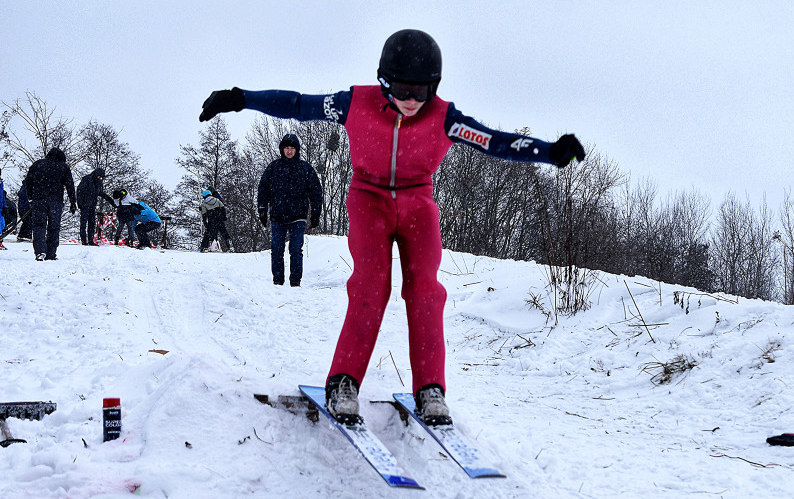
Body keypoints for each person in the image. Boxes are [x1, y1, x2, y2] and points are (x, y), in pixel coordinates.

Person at [199, 29, 585, 422]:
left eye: (422, 92)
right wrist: (241, 98)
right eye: (402, 89)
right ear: (384, 80)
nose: (411, 101)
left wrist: (549, 151)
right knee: (370, 287)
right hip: (370, 201)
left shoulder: (445, 118)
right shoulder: (354, 103)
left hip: (418, 205)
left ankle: (431, 389)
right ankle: (343, 382)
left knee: (426, 292)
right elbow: (298, 105)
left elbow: (492, 141)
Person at [256, 134, 323, 286]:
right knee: (277, 251)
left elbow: (316, 191)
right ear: (282, 149)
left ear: (297, 150)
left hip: (298, 216)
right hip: (277, 216)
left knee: (295, 250)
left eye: (292, 148)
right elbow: (263, 189)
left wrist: (315, 213)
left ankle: (295, 283)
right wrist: (262, 208)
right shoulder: (274, 167)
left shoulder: (305, 168)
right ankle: (278, 283)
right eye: (287, 148)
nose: (289, 151)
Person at [23, 147, 76, 261]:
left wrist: (31, 197)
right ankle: (51, 253)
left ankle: (40, 251)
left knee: (38, 226)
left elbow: (28, 181)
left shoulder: (37, 164)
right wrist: (73, 201)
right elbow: (70, 185)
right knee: (54, 227)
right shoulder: (63, 167)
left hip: (39, 200)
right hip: (56, 202)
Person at [75, 167, 106, 245]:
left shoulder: (99, 182)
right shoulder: (86, 179)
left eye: (101, 177)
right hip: (85, 205)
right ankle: (84, 240)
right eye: (99, 176)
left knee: (92, 223)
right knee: (84, 223)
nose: (100, 178)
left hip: (92, 205)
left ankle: (91, 240)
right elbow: (79, 190)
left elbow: (100, 193)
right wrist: (79, 203)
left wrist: (111, 200)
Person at [199, 188, 231, 252]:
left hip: (211, 221)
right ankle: (230, 245)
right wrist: (224, 217)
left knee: (208, 233)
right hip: (219, 219)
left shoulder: (204, 204)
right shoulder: (217, 200)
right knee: (224, 232)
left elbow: (204, 215)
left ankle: (204, 247)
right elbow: (223, 208)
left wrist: (205, 223)